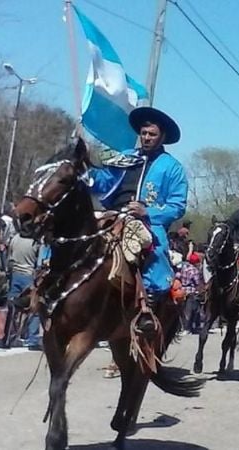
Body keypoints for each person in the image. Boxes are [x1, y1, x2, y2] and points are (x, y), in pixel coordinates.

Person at [87, 107, 188, 334]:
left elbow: (177, 206)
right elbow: (103, 182)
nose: (146, 138)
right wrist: (88, 173)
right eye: (143, 133)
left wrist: (148, 212)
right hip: (111, 214)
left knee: (155, 249)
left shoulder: (173, 168)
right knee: (75, 234)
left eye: (152, 134)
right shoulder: (125, 157)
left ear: (162, 136)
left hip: (145, 222)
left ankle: (149, 303)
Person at [3, 230, 42, 348]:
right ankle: (32, 338)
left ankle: (9, 336)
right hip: (29, 275)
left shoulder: (15, 238)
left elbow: (9, 255)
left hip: (15, 274)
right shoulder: (35, 243)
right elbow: (38, 263)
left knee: (13, 306)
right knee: (33, 308)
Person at [178, 252, 204, 334]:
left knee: (184, 310)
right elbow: (197, 282)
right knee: (191, 311)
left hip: (183, 290)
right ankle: (188, 328)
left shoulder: (184, 268)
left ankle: (183, 327)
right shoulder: (194, 270)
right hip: (192, 291)